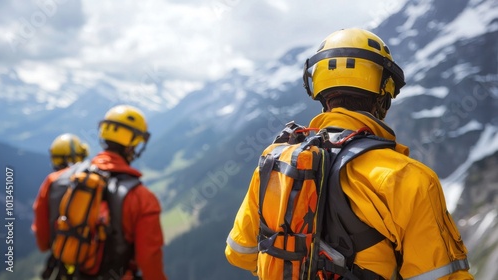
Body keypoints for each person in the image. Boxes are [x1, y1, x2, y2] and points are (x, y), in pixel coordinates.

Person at [225, 28, 473, 279]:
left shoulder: (277, 161)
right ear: (384, 93)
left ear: (320, 91)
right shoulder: (409, 179)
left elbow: (240, 252)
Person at [33, 105, 168, 280]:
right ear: (132, 145)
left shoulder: (55, 181)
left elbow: (43, 241)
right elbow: (149, 259)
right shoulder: (143, 198)